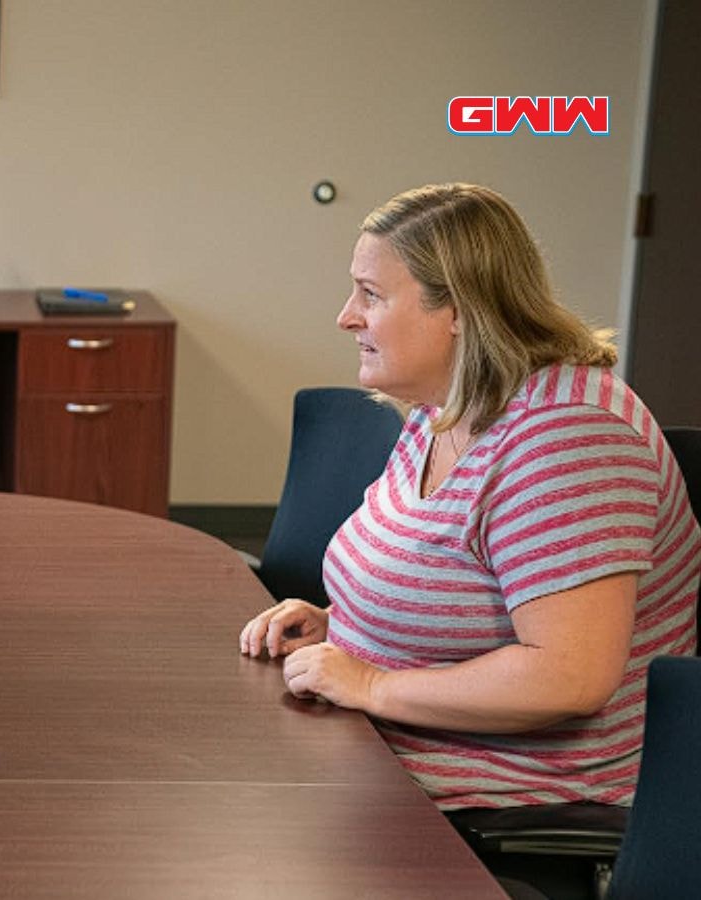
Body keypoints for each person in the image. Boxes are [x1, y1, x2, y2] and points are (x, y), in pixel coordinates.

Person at [239, 184, 699, 823]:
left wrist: (373, 681)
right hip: (390, 751)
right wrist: (343, 623)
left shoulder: (569, 439)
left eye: (371, 294)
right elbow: (446, 579)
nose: (347, 315)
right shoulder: (445, 407)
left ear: (457, 308)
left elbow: (569, 677)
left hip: (511, 798)